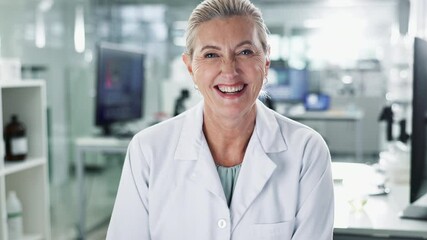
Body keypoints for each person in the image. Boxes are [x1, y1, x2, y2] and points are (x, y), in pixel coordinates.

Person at [106, 0, 334, 239]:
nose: (229, 70)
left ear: (265, 63)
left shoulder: (307, 151)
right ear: (191, 68)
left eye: (245, 52)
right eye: (211, 54)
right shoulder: (148, 150)